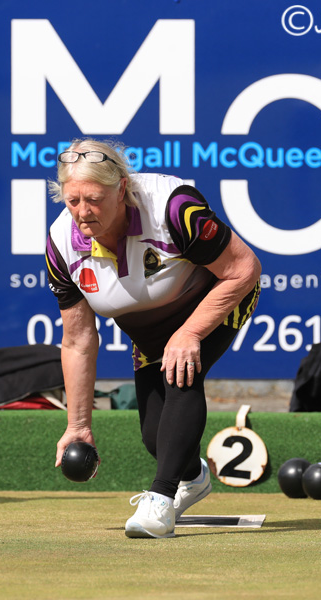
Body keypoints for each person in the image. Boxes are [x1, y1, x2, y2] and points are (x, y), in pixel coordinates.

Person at [45, 138, 261, 539]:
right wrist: (78, 425)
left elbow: (244, 268)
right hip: (150, 329)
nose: (83, 212)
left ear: (122, 188)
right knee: (156, 437)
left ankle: (160, 500)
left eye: (93, 199)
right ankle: (192, 477)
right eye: (72, 200)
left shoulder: (175, 209)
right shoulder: (60, 244)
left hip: (212, 299)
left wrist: (191, 331)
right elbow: (78, 340)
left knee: (182, 373)